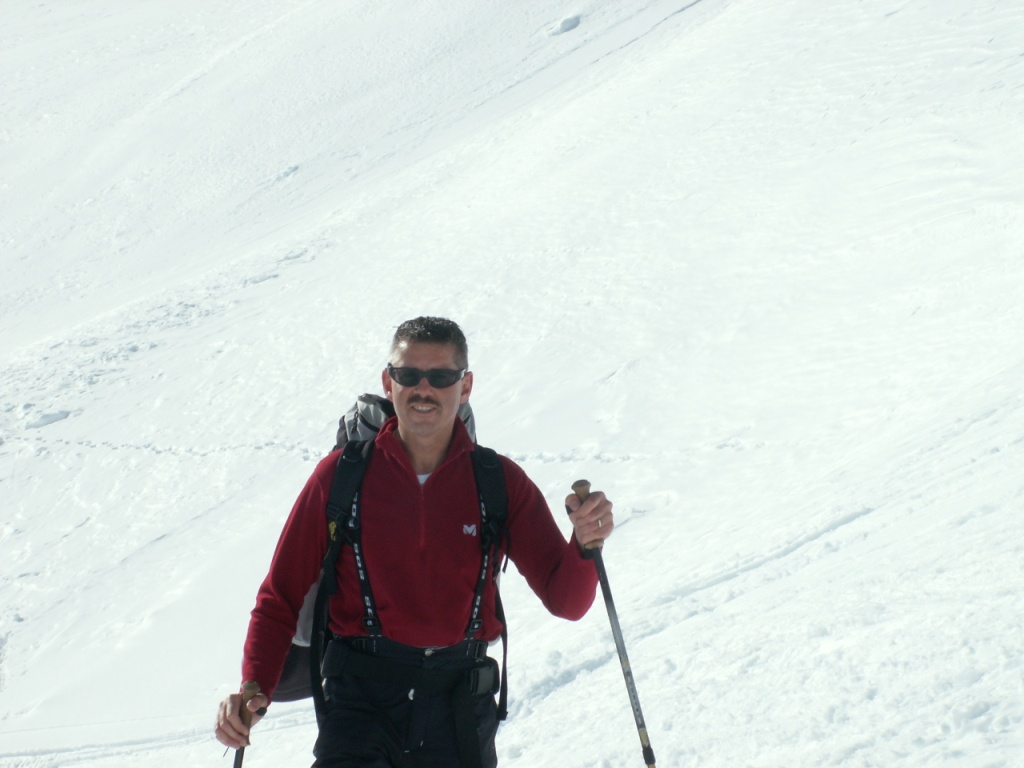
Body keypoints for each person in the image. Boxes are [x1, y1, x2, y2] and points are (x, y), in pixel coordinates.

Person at [215, 316, 614, 767]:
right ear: (388, 382)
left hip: (459, 711)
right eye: (409, 375)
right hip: (360, 706)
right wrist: (253, 689)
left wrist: (584, 545)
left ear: (465, 386)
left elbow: (567, 602)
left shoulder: (498, 482)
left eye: (441, 377)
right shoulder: (341, 476)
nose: (423, 389)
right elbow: (280, 596)